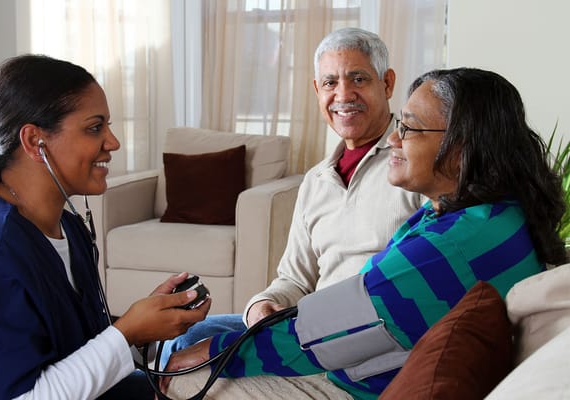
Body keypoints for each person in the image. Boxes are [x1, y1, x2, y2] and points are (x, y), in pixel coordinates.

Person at [162, 68, 567, 399]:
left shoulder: (449, 245)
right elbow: (312, 293)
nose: (394, 137)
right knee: (202, 334)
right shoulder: (487, 213)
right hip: (349, 335)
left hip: (355, 376)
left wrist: (211, 357)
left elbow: (323, 335)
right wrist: (263, 307)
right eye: (328, 82)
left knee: (184, 370)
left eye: (408, 128)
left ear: (462, 149)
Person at [161, 27, 425, 356]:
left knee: (197, 353)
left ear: (387, 83)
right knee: (186, 338)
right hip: (306, 321)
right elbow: (295, 280)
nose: (343, 95)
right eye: (330, 82)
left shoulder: (417, 162)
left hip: (365, 333)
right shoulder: (316, 181)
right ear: (317, 90)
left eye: (358, 79)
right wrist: (263, 305)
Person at [0, 54, 211, 399]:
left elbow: (77, 355)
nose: (113, 142)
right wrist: (126, 332)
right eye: (95, 127)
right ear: (35, 141)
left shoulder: (68, 227)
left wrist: (143, 331)